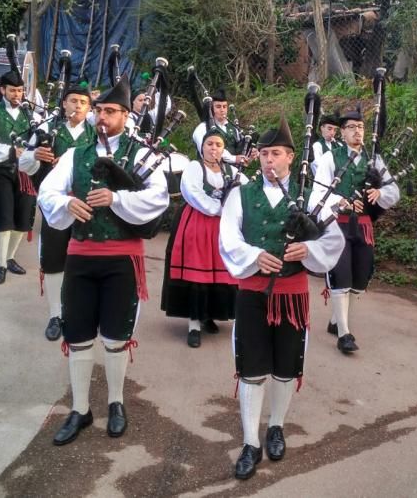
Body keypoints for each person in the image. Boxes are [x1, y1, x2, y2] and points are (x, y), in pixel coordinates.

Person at [36, 75, 169, 446]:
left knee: (115, 336)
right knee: (78, 337)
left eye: (110, 111)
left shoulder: (142, 154)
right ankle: (80, 409)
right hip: (80, 257)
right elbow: (47, 192)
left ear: (126, 115)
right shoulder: (76, 154)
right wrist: (66, 203)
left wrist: (118, 200)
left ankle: (115, 403)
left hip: (122, 260)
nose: (102, 116)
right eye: (99, 110)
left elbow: (158, 198)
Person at [219, 118, 344, 480]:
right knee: (252, 370)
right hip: (253, 294)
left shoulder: (310, 197)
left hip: (291, 296)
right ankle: (249, 442)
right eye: (263, 153)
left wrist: (307, 248)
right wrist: (254, 256)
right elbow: (228, 239)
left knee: (286, 368)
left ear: (291, 157)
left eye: (275, 153)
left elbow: (332, 242)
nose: (268, 160)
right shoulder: (241, 193)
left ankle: (276, 426)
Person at [312, 105, 400, 354]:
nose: (357, 132)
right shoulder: (330, 158)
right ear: (342, 132)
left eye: (360, 127)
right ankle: (344, 334)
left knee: (360, 278)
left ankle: (335, 321)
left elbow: (394, 192)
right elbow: (318, 191)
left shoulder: (374, 159)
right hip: (337, 224)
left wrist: (379, 192)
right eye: (351, 128)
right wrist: (339, 201)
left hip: (362, 225)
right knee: (341, 275)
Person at [20, 86, 96, 340]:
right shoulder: (47, 132)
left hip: (88, 207)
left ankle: (78, 311)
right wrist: (34, 154)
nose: (77, 105)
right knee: (53, 258)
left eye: (83, 102)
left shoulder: (97, 136)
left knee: (85, 260)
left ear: (89, 108)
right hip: (55, 206)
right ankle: (55, 314)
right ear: (63, 104)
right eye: (73, 100)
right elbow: (24, 165)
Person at [162, 126, 247, 347]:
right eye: (210, 144)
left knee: (218, 273)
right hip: (197, 224)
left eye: (218, 144)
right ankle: (193, 325)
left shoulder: (230, 170)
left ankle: (208, 315)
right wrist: (219, 209)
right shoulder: (194, 167)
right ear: (202, 147)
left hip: (222, 229)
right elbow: (193, 193)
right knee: (197, 272)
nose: (214, 148)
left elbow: (247, 191)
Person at [0, 70, 41, 284]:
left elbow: (39, 138)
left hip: (26, 172)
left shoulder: (30, 114)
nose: (17, 94)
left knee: (23, 217)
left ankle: (11, 257)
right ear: (2, 90)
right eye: (13, 90)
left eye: (20, 90)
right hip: (1, 170)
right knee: (3, 215)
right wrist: (14, 151)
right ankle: (1, 264)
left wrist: (33, 153)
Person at [191, 88, 253, 165]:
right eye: (218, 106)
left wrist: (250, 153)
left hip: (234, 172)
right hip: (209, 171)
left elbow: (240, 149)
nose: (222, 110)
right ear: (211, 109)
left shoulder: (233, 128)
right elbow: (207, 151)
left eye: (224, 106)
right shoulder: (202, 128)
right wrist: (233, 159)